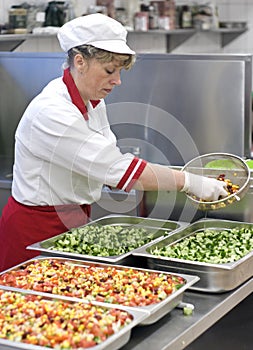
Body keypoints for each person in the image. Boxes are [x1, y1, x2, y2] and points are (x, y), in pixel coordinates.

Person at [0, 13, 228, 272]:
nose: (117, 81)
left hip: (73, 220)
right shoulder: (53, 112)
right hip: (35, 231)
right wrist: (189, 182)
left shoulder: (92, 101)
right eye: (110, 70)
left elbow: (108, 160)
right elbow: (115, 168)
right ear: (80, 61)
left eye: (120, 71)